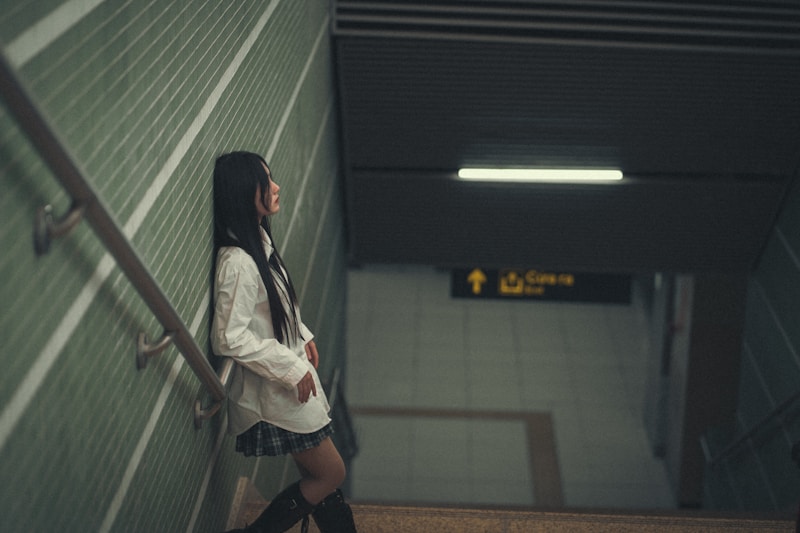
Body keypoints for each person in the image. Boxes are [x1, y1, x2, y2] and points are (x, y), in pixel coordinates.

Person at [210, 151, 356, 533]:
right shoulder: (238, 262)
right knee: (332, 474)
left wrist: (301, 335)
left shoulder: (258, 241)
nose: (276, 187)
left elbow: (273, 306)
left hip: (289, 386)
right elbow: (228, 337)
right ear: (243, 194)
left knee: (320, 477)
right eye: (266, 182)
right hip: (276, 393)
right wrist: (289, 366)